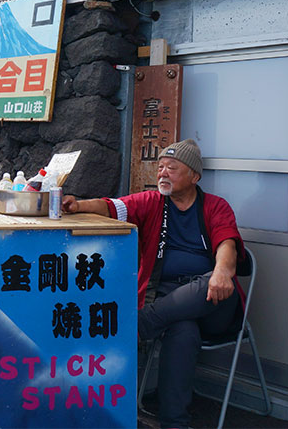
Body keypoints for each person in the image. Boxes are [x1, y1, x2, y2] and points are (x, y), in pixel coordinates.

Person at [62, 139, 244, 429]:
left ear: (194, 177)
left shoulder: (215, 206)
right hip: (170, 301)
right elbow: (112, 207)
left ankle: (138, 325)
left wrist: (222, 271)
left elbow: (227, 244)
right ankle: (174, 422)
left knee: (205, 283)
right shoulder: (152, 202)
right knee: (183, 330)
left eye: (172, 168)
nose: (162, 173)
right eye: (160, 167)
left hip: (215, 302)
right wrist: (77, 204)